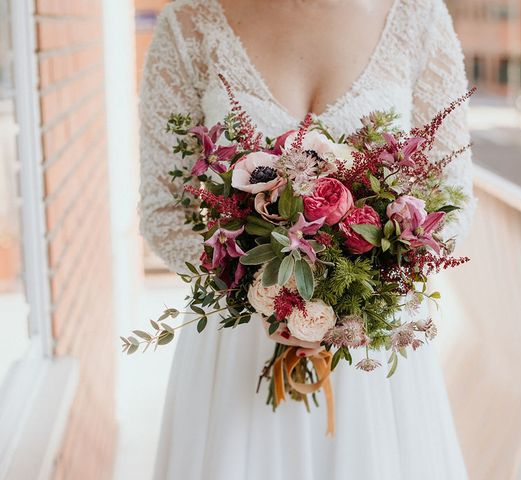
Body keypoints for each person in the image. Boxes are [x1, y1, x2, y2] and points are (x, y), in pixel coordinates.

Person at [139, 0, 476, 478]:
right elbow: (163, 208)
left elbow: (453, 203)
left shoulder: (416, 17)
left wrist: (355, 296)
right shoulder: (190, 23)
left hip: (370, 350)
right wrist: (263, 292)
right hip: (239, 339)